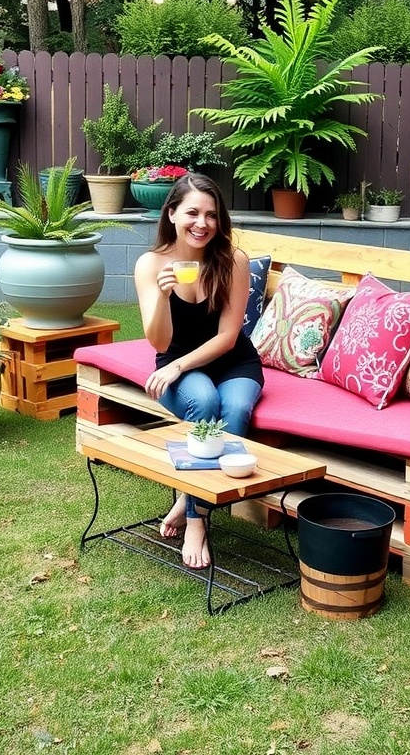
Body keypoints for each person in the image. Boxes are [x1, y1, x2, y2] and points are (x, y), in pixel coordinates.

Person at [134, 172, 264, 570]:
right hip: (176, 365)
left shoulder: (232, 260)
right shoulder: (150, 264)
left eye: (211, 214)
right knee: (204, 401)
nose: (202, 223)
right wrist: (161, 295)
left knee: (237, 410)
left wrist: (178, 365)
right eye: (192, 212)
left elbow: (228, 337)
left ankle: (192, 508)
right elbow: (158, 343)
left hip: (232, 361)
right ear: (171, 213)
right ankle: (196, 513)